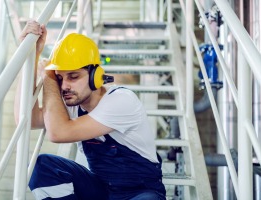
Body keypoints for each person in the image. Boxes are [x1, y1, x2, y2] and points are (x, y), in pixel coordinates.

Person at [15, 20, 166, 200]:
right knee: (42, 166)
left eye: (73, 76)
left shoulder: (121, 101)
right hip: (101, 190)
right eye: (60, 78)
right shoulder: (73, 105)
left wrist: (48, 76)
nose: (64, 86)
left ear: (96, 76)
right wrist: (31, 55)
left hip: (141, 192)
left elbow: (58, 133)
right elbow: (26, 119)